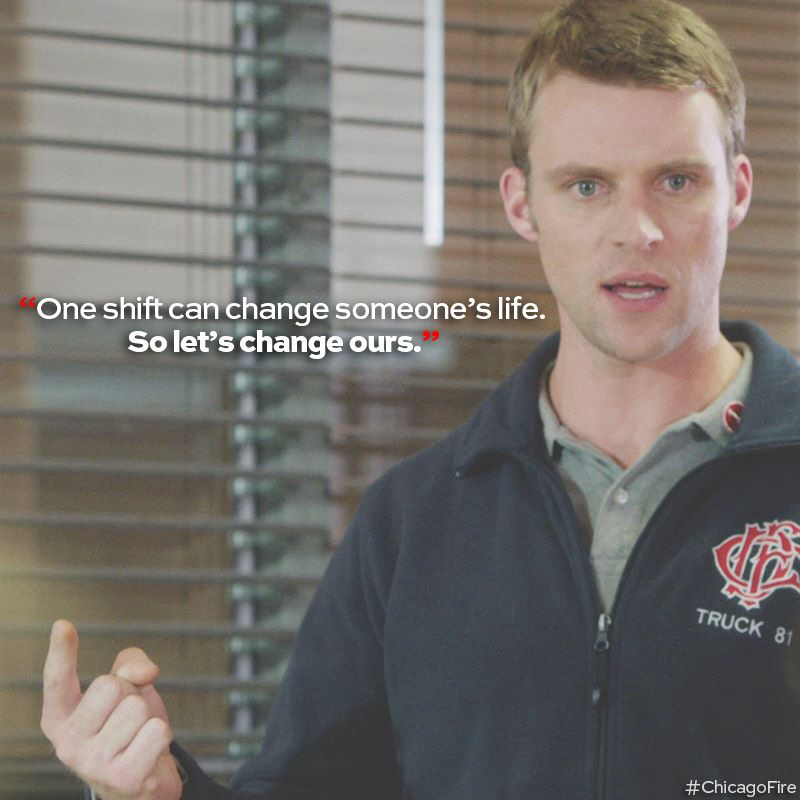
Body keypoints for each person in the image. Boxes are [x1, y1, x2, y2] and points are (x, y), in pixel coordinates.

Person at [41, 0, 800, 797]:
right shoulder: (413, 522)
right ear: (522, 205)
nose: (636, 228)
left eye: (677, 181)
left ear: (737, 190)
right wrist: (158, 794)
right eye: (586, 186)